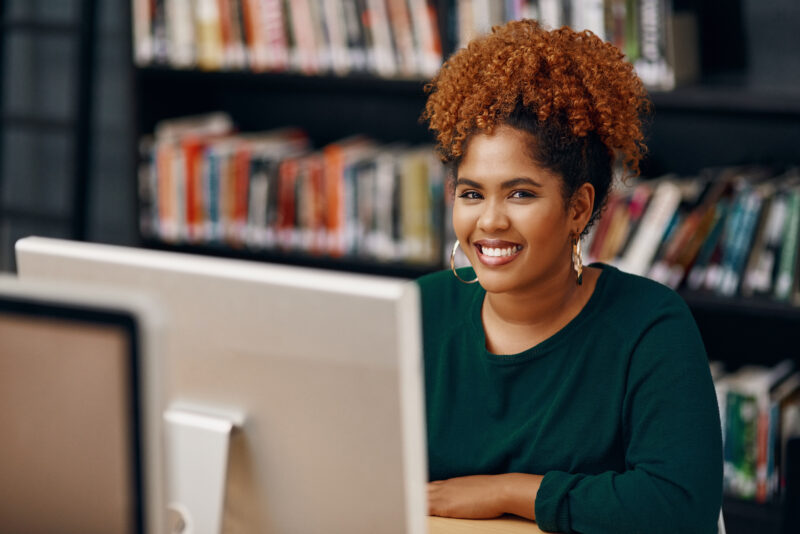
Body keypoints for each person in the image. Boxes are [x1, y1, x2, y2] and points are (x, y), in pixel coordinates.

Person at [417, 19, 723, 534]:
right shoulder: (416, 310)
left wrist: (507, 490)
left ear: (578, 208)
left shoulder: (651, 326)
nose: (489, 221)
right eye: (472, 194)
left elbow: (678, 505)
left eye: (520, 194)